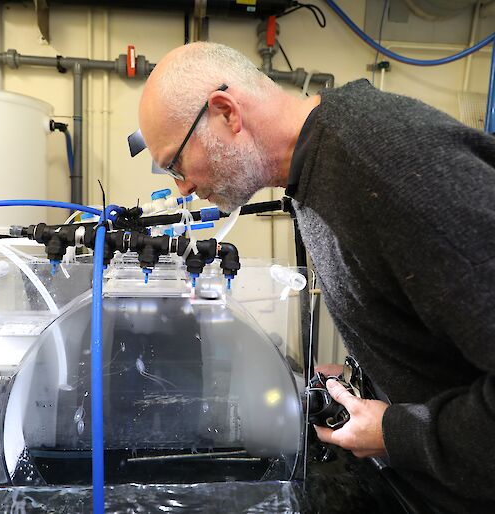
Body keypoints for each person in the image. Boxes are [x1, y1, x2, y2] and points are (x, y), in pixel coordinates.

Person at [137, 41, 495, 513]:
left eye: (177, 164)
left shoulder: (388, 169)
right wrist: (366, 379)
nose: (182, 187)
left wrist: (395, 434)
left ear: (226, 112)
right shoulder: (315, 168)